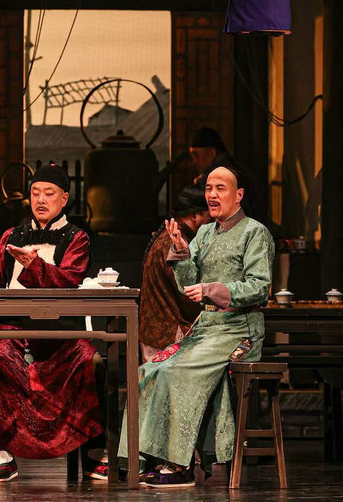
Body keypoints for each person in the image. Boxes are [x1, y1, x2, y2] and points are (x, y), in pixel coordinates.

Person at [119, 165, 275, 488]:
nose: (212, 195)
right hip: (206, 327)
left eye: (220, 188)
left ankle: (180, 465)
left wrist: (213, 290)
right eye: (208, 189)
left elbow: (259, 286)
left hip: (239, 329)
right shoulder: (204, 233)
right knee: (150, 370)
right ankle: (143, 456)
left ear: (238, 195)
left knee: (177, 371)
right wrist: (180, 251)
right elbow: (187, 283)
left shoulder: (254, 232)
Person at [0, 163, 106, 483]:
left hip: (59, 332)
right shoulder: (11, 236)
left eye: (49, 193)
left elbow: (69, 279)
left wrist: (36, 267)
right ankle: (2, 452)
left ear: (64, 199)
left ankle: (94, 451)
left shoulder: (76, 238)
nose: (40, 200)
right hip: (14, 328)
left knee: (89, 360)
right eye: (35, 193)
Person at [138, 184, 211, 363]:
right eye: (209, 217)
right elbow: (186, 292)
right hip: (168, 333)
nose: (212, 224)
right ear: (195, 215)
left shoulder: (173, 236)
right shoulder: (175, 242)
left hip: (162, 332)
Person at [188, 127, 258, 220]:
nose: (194, 161)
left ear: (211, 154)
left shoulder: (222, 176)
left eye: (196, 155)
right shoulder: (235, 169)